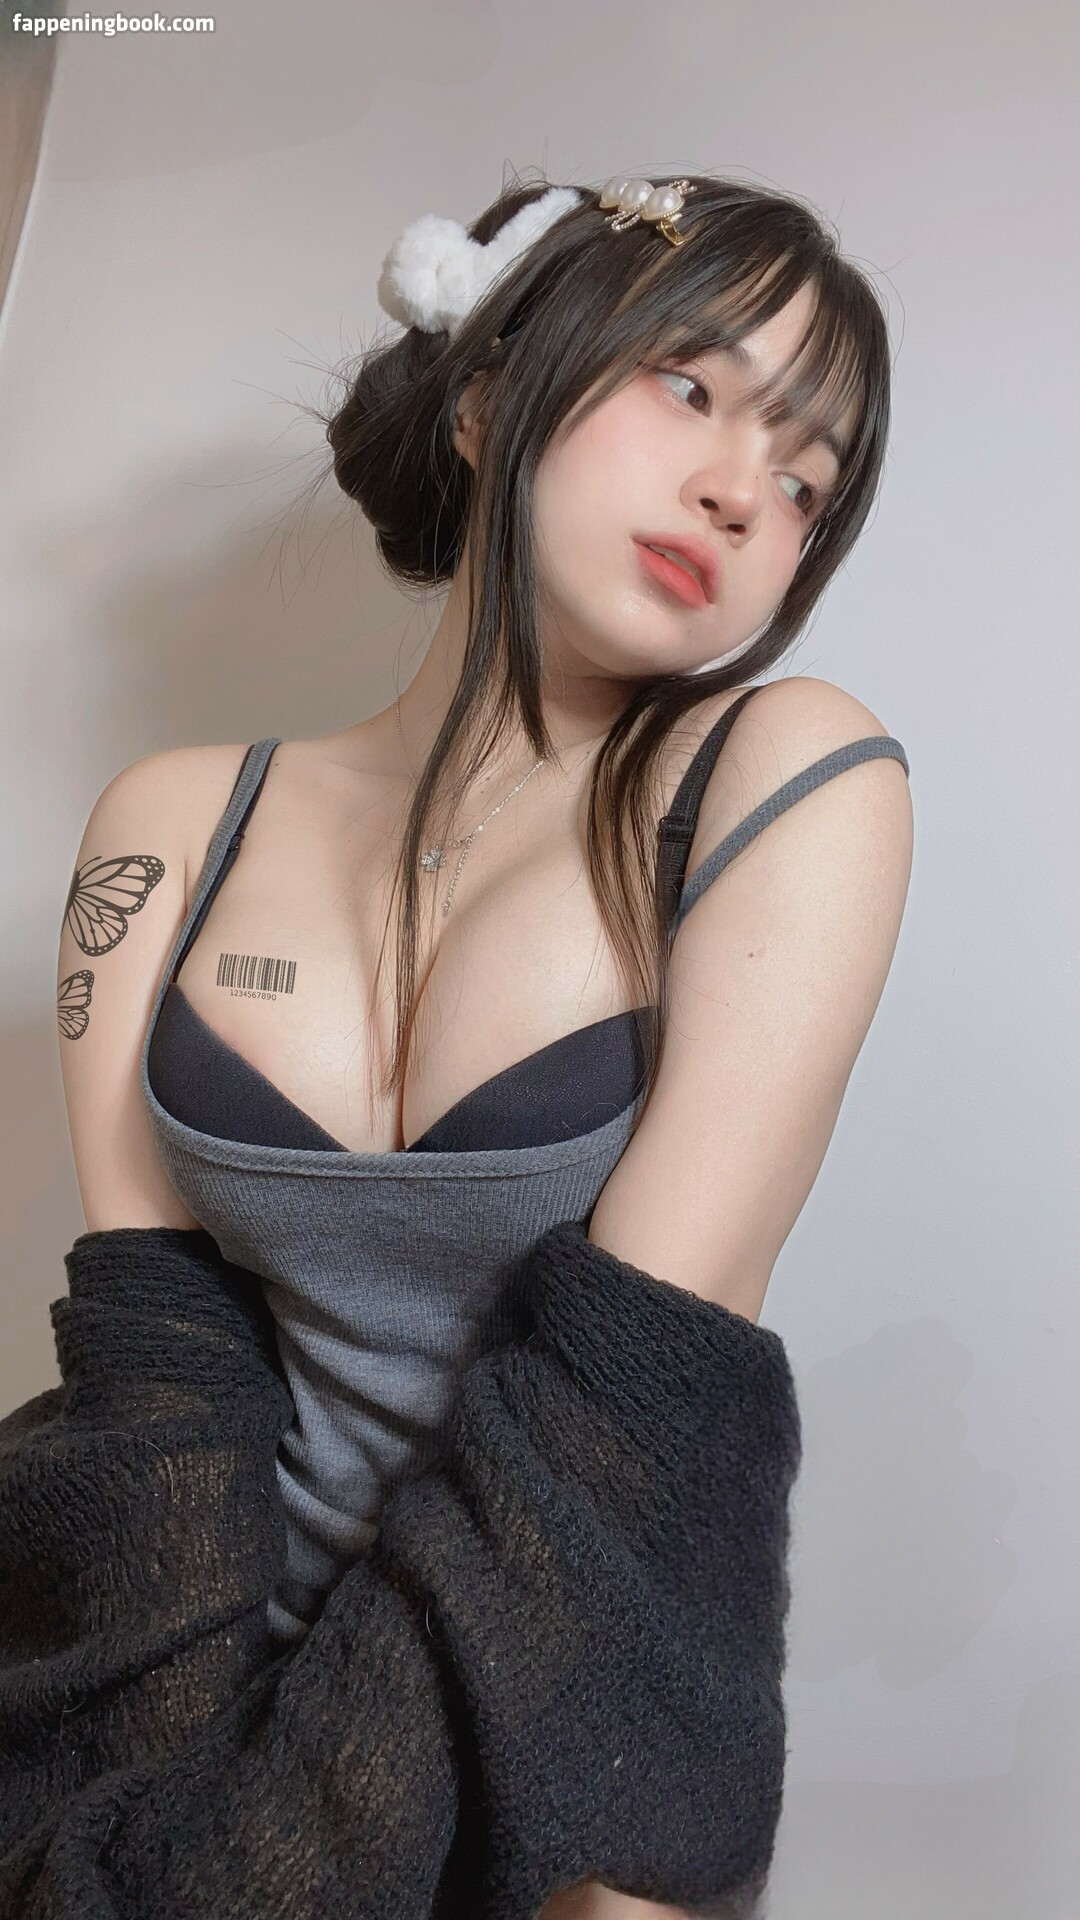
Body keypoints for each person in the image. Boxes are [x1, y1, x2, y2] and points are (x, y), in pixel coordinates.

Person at [39, 170, 913, 1919]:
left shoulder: (789, 780)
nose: (743, 490)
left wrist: (246, 1876)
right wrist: (149, 1836)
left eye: (808, 482)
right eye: (692, 384)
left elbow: (613, 1426)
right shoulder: (173, 825)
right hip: (190, 1719)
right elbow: (156, 1386)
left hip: (571, 1733)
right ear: (488, 390)